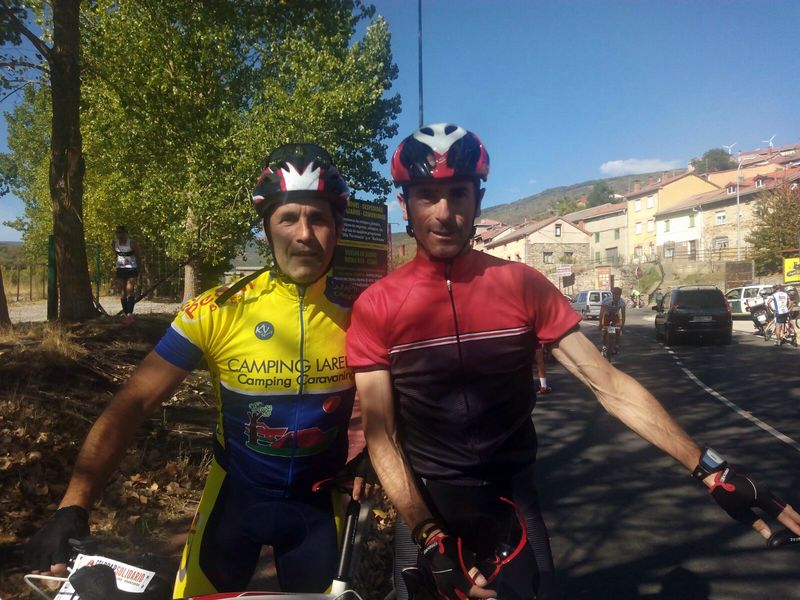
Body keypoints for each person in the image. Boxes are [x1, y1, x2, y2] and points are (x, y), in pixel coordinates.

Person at [346, 123, 800, 600]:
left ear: (477, 200)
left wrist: (709, 468)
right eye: (426, 195)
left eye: (458, 193)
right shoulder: (377, 306)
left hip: (512, 499)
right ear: (405, 205)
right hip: (426, 507)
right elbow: (381, 434)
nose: (444, 213)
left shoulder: (522, 285)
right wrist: (427, 534)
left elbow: (609, 384)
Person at [26, 144, 374, 598]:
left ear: (338, 227)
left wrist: (373, 454)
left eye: (319, 219)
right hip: (233, 507)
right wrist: (74, 504)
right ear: (267, 228)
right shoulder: (217, 310)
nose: (304, 234)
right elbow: (133, 403)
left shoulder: (366, 313)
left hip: (319, 512)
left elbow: (403, 396)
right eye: (288, 218)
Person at [113, 225, 141, 324]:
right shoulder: (115, 243)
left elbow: (138, 255)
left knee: (130, 289)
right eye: (118, 233)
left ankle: (130, 314)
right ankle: (125, 313)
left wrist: (139, 268)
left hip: (131, 268)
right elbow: (115, 255)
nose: (119, 235)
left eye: (121, 233)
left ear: (126, 234)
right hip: (120, 268)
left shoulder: (132, 243)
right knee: (122, 290)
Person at [599, 286, 626, 355]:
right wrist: (600, 324)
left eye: (618, 294)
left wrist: (622, 326)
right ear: (612, 294)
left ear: (620, 295)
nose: (616, 296)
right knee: (604, 331)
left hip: (615, 316)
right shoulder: (606, 301)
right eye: (614, 294)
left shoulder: (622, 302)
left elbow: (623, 315)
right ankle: (604, 346)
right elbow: (601, 313)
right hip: (607, 315)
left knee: (618, 330)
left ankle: (616, 345)